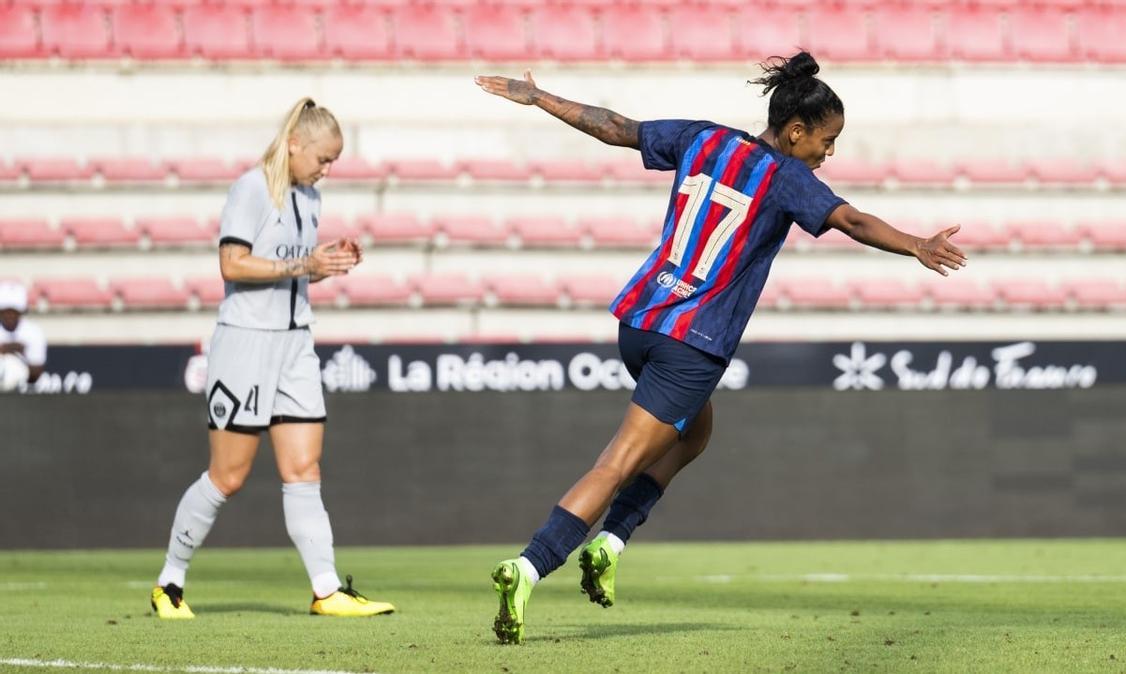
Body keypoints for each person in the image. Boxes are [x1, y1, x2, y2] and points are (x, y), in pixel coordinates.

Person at [474, 51, 966, 644]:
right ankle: (527, 567)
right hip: (693, 342)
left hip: (642, 320)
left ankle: (609, 543)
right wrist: (915, 244)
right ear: (795, 131)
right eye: (826, 140)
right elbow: (852, 221)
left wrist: (542, 98)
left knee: (696, 432)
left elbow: (615, 127)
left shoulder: (702, 139)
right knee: (618, 464)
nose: (829, 153)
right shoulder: (788, 178)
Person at [151, 98, 393, 619]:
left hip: (295, 343)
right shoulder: (251, 188)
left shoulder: (309, 198)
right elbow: (231, 262)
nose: (327, 170)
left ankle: (327, 590)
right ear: (294, 144)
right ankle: (169, 581)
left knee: (304, 468)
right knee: (228, 476)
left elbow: (289, 267)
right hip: (246, 342)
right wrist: (305, 263)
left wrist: (324, 264)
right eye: (323, 159)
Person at [0, 281, 46, 390]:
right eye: (5, 311)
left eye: (14, 312)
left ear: (21, 312)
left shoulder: (33, 332)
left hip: (24, 393)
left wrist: (20, 357)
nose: (9, 316)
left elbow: (36, 372)